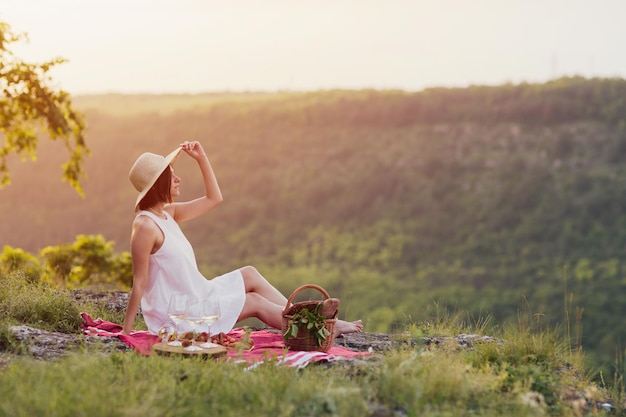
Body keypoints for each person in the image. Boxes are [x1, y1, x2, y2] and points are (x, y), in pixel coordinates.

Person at [121, 140, 363, 337]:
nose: (178, 179)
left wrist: (202, 159)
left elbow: (213, 199)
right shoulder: (145, 226)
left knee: (249, 273)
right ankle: (318, 325)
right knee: (254, 302)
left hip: (198, 295)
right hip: (180, 316)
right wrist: (127, 332)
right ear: (157, 185)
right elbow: (139, 283)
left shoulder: (167, 214)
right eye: (172, 176)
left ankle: (311, 317)